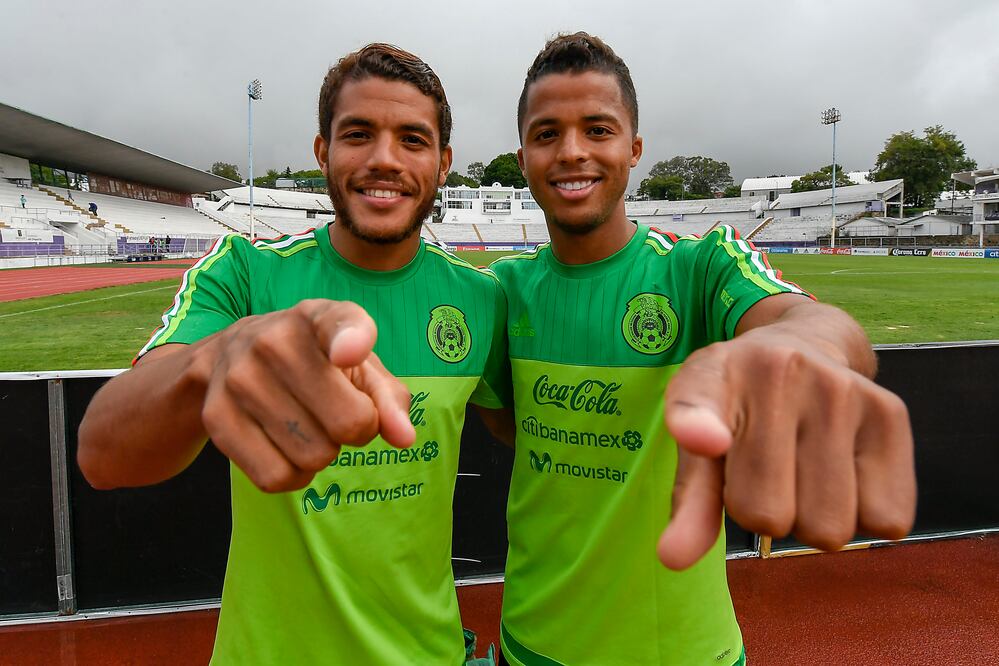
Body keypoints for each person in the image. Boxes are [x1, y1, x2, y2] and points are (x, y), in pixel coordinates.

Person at [490, 32, 916, 666]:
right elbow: (507, 423)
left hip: (683, 649)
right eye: (547, 133)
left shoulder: (701, 265)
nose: (572, 151)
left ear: (634, 149)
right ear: (522, 155)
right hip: (531, 642)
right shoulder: (502, 292)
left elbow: (813, 323)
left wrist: (796, 352)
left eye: (598, 129)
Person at [78, 43, 510, 665]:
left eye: (412, 140)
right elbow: (101, 456)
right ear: (322, 152)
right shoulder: (246, 274)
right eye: (357, 134)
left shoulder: (481, 300)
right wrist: (214, 358)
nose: (384, 159)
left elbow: (539, 439)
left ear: (443, 163)